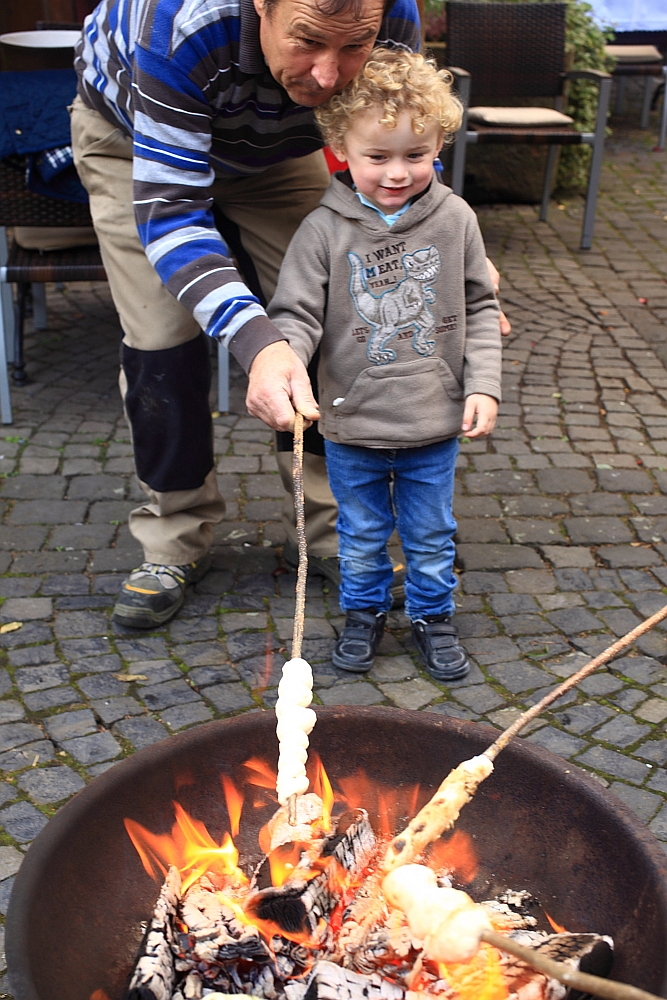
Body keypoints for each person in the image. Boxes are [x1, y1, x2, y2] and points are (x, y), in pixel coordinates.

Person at [71, 0, 421, 628]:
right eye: (308, 41)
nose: (326, 74)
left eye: (353, 46)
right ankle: (172, 540)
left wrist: (436, 238)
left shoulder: (392, 12)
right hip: (135, 143)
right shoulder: (182, 27)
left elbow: (399, 136)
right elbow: (173, 214)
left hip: (278, 151)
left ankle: (331, 532)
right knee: (161, 340)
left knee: (334, 321)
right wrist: (259, 342)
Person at [267, 48, 502, 680]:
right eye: (378, 156)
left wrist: (483, 384)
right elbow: (294, 314)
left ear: (439, 146)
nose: (398, 172)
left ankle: (432, 615)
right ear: (341, 147)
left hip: (433, 423)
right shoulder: (321, 230)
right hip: (351, 425)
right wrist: (283, 360)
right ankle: (363, 613)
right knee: (360, 538)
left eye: (416, 155)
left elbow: (482, 305)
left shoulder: (456, 220)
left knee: (431, 538)